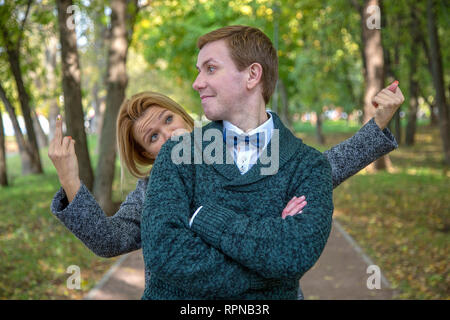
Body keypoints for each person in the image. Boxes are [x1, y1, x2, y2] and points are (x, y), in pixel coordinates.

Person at [139, 25, 405, 300]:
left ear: (252, 75)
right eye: (199, 70)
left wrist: (204, 218)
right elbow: (164, 253)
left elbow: (294, 254)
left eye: (210, 68)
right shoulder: (177, 152)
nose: (197, 82)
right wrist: (273, 277)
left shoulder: (308, 165)